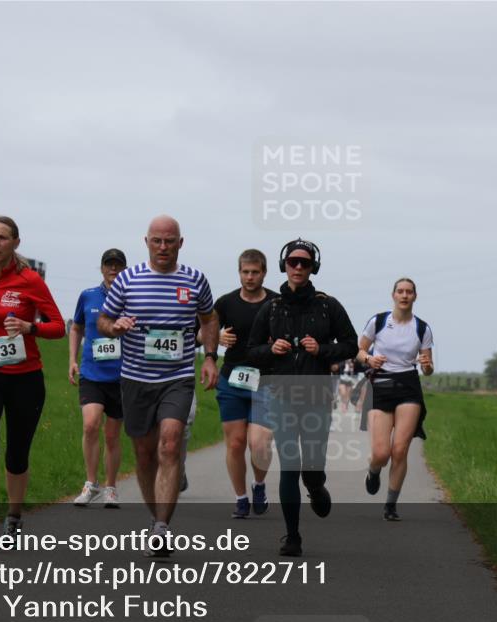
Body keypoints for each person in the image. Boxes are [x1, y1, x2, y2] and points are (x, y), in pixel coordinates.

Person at [97, 215, 219, 557]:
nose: (163, 247)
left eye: (170, 241)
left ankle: (162, 527)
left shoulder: (195, 280)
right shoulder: (128, 280)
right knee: (144, 453)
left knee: (169, 444)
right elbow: (103, 320)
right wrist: (115, 326)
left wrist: (210, 357)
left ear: (181, 243)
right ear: (146, 242)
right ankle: (155, 517)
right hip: (136, 378)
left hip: (177, 379)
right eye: (157, 241)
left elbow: (209, 319)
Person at [246, 239, 357, 556]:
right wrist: (271, 350)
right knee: (289, 464)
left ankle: (316, 484)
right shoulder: (272, 307)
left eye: (304, 263)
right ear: (284, 265)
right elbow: (251, 352)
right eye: (293, 262)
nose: (297, 267)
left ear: (313, 268)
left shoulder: (328, 306)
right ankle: (292, 536)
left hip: (317, 394)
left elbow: (350, 345)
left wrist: (321, 349)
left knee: (311, 464)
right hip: (281, 394)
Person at [0, 216, 65, 542]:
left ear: (15, 242)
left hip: (25, 378)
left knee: (17, 454)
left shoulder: (30, 280)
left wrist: (30, 327)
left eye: (2, 238)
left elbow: (58, 326)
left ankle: (15, 516)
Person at [358, 278, 434, 521]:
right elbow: (358, 351)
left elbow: (428, 367)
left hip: (408, 386)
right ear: (393, 295)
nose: (404, 295)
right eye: (400, 291)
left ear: (415, 296)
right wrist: (369, 360)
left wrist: (428, 365)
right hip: (381, 385)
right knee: (381, 453)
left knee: (400, 450)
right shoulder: (379, 321)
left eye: (409, 292)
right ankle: (373, 471)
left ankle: (390, 505)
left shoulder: (422, 328)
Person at [212, 249, 278, 518]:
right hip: (232, 380)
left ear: (264, 273)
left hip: (267, 382)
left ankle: (259, 485)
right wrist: (217, 338)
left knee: (259, 443)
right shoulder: (226, 303)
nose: (249, 277)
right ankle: (241, 498)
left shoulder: (277, 302)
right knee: (236, 443)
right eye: (245, 272)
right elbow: (202, 332)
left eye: (255, 272)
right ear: (239, 272)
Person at [68, 248, 128, 508]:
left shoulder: (132, 297)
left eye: (117, 265)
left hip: (122, 376)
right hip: (92, 372)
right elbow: (77, 327)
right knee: (91, 425)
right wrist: (72, 359)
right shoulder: (88, 296)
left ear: (124, 269)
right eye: (108, 265)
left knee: (112, 435)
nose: (113, 269)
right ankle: (91, 484)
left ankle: (111, 487)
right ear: (102, 268)